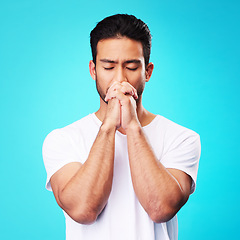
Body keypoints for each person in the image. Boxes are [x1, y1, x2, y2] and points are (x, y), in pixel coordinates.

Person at [42, 14, 201, 240]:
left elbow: (161, 209)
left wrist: (133, 128)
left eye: (131, 66)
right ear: (93, 70)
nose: (120, 79)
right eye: (108, 67)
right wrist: (108, 127)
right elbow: (83, 210)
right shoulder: (62, 139)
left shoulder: (182, 137)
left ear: (148, 71)